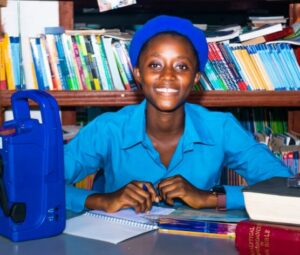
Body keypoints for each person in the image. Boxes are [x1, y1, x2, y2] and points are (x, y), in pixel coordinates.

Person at [64, 15, 291, 213]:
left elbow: (285, 186)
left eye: (181, 66)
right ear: (138, 74)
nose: (168, 76)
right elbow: (38, 183)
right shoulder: (108, 128)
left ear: (195, 78)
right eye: (155, 65)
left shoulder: (220, 128)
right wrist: (101, 200)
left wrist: (211, 198)